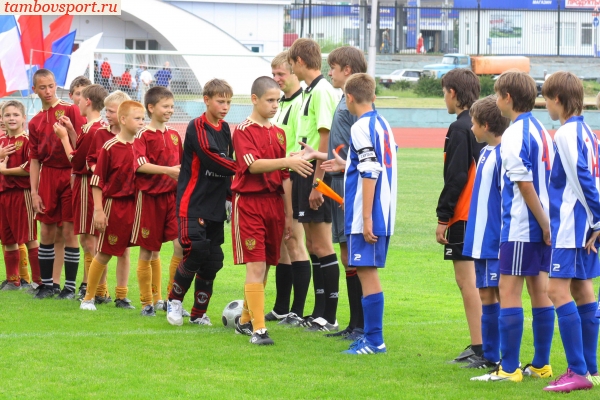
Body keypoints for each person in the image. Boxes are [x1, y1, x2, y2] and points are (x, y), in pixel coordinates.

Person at [473, 71, 555, 382]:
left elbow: (524, 183)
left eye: (497, 95)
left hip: (522, 226)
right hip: (540, 224)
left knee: (508, 292)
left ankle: (508, 369)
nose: (496, 100)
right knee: (540, 292)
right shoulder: (541, 130)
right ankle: (541, 364)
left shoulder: (514, 134)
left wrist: (543, 223)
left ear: (508, 98)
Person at [231, 76, 313, 345]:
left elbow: (284, 177)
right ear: (254, 99)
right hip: (250, 204)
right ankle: (259, 330)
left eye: (278, 100)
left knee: (266, 265)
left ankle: (245, 320)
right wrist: (286, 160)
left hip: (274, 205)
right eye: (270, 100)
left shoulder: (279, 132)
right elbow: (253, 165)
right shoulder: (243, 130)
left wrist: (288, 215)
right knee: (255, 264)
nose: (275, 105)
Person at [324, 73, 397, 354]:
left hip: (370, 214)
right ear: (374, 96)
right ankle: (370, 337)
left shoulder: (360, 126)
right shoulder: (383, 123)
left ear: (349, 98)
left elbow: (370, 170)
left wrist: (365, 216)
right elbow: (373, 164)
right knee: (366, 271)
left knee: (366, 273)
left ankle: (375, 341)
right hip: (380, 209)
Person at [301, 46, 369, 339]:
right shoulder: (344, 99)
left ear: (348, 70)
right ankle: (354, 324)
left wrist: (346, 168)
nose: (330, 73)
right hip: (341, 184)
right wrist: (318, 154)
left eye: (333, 68)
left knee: (353, 255)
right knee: (346, 254)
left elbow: (363, 150)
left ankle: (361, 325)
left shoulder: (356, 105)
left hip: (349, 185)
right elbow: (343, 151)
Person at [542, 71, 599, 392]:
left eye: (547, 100)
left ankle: (577, 370)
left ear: (558, 100)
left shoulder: (565, 133)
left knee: (556, 291)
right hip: (583, 224)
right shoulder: (589, 132)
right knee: (583, 290)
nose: (546, 106)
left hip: (571, 225)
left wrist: (598, 220)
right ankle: (590, 369)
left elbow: (581, 177)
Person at [166, 79, 237, 327]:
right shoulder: (196, 126)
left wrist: (228, 196)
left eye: (228, 102)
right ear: (206, 100)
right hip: (193, 202)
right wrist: (245, 167)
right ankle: (174, 302)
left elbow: (227, 160)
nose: (225, 106)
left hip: (215, 205)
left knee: (213, 259)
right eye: (220, 101)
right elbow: (212, 158)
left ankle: (198, 313)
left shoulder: (225, 128)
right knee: (195, 250)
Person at [288, 38, 341, 331]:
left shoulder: (321, 90)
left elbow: (325, 137)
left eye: (291, 64)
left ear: (299, 61)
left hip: (315, 174)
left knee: (321, 244)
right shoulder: (310, 90)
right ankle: (319, 311)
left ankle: (329, 316)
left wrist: (317, 183)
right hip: (304, 171)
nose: (290, 70)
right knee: (312, 244)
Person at [435, 68, 485, 364]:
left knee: (467, 281)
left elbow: (456, 176)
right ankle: (487, 343)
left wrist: (443, 217)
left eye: (444, 92)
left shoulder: (460, 128)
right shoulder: (485, 123)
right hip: (483, 215)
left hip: (464, 215)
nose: (444, 98)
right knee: (483, 281)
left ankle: (480, 347)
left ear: (453, 92)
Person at [80, 100, 145, 311]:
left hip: (134, 205)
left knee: (125, 251)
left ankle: (122, 296)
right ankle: (88, 298)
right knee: (105, 251)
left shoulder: (141, 144)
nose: (141, 122)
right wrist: (99, 211)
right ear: (123, 120)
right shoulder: (109, 147)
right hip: (114, 205)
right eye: (137, 118)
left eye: (143, 118)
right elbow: (97, 180)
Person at [462, 96, 510, 369]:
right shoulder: (485, 153)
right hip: (479, 239)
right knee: (485, 294)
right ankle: (489, 354)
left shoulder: (504, 154)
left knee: (500, 294)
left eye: (474, 123)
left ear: (486, 125)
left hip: (494, 240)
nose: (471, 128)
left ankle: (503, 355)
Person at [28, 69, 86, 299]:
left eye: (51, 86)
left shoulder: (70, 110)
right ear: (34, 90)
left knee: (70, 230)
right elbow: (34, 159)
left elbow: (81, 145)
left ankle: (69, 287)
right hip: (48, 177)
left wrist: (69, 131)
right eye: (42, 87)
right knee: (46, 230)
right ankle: (47, 285)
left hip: (70, 174)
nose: (48, 91)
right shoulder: (34, 121)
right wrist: (34, 192)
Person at [266, 51, 311, 325]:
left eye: (281, 73)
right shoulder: (279, 103)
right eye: (273, 74)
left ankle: (298, 310)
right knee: (283, 244)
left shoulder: (302, 102)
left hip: (292, 179)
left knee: (295, 241)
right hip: (276, 179)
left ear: (295, 71)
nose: (276, 78)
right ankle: (281, 307)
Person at [131, 86, 183, 316]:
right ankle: (147, 303)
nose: (170, 110)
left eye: (172, 106)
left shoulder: (174, 135)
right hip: (150, 199)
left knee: (181, 246)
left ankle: (172, 300)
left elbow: (182, 166)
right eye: (165, 106)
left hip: (173, 199)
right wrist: (168, 170)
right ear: (151, 108)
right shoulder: (142, 135)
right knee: (148, 250)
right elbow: (140, 165)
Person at [53, 84, 108, 301]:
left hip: (87, 184)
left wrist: (63, 138)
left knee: (89, 240)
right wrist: (73, 132)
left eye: (80, 99)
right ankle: (98, 289)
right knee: (90, 240)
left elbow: (76, 160)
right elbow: (84, 153)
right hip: (88, 183)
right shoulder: (93, 127)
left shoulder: (94, 129)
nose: (77, 103)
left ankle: (93, 289)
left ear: (88, 102)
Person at [0, 101, 41, 290]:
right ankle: (13, 280)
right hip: (3, 194)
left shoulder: (27, 140)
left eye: (16, 115)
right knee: (8, 239)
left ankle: (39, 282)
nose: (11, 118)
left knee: (29, 237)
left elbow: (30, 168)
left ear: (24, 118)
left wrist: (5, 171)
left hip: (21, 194)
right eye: (7, 115)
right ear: (2, 118)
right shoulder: (2, 142)